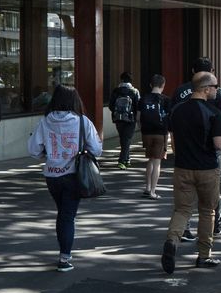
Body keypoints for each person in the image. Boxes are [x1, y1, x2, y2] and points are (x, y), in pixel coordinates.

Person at [27, 85, 102, 272]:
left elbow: (33, 149)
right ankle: (64, 257)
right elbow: (97, 149)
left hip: (52, 175)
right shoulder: (82, 122)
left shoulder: (45, 121)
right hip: (73, 175)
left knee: (63, 214)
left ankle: (64, 252)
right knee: (67, 216)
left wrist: (47, 155)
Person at [160, 71, 221, 273]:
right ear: (206, 88)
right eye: (215, 86)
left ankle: (172, 241)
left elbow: (173, 138)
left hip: (182, 167)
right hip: (207, 169)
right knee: (208, 211)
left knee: (182, 210)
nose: (217, 89)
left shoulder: (178, 111)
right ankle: (204, 256)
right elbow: (218, 144)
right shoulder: (214, 113)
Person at [170, 57, 221, 238]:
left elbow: (172, 122)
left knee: (183, 205)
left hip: (184, 154)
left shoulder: (180, 91)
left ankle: (181, 232)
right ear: (211, 71)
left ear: (192, 71)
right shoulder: (218, 94)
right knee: (209, 202)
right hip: (208, 155)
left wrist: (175, 146)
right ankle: (214, 226)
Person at [138, 74, 170, 199]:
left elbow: (138, 118)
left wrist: (143, 130)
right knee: (157, 162)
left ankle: (147, 187)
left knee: (150, 160)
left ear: (150, 85)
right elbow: (169, 118)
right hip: (160, 133)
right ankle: (152, 191)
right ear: (163, 85)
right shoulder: (166, 100)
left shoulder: (143, 98)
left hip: (146, 133)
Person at [109, 72, 140, 168]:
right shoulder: (134, 91)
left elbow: (111, 106)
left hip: (118, 118)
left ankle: (127, 159)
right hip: (130, 119)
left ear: (121, 80)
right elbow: (138, 106)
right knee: (126, 139)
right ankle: (122, 161)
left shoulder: (116, 91)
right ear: (131, 81)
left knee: (123, 139)